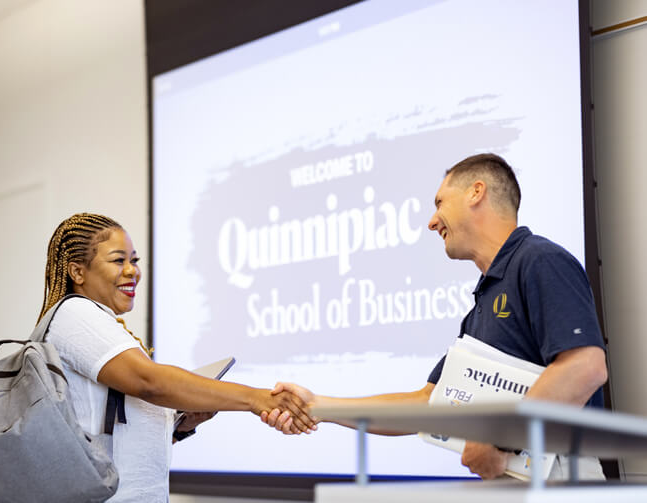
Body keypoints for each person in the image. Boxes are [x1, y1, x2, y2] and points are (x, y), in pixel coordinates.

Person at [262, 153, 608, 480]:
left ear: (476, 192)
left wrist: (499, 439)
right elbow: (427, 403)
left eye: (440, 202)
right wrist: (320, 406)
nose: (431, 222)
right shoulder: (483, 303)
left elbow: (585, 366)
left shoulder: (539, 260)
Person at [39, 213, 316, 502]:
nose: (132, 271)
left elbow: (112, 437)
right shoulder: (75, 313)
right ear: (77, 272)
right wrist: (256, 399)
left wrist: (180, 426)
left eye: (134, 261)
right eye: (118, 260)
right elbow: (149, 382)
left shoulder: (97, 321)